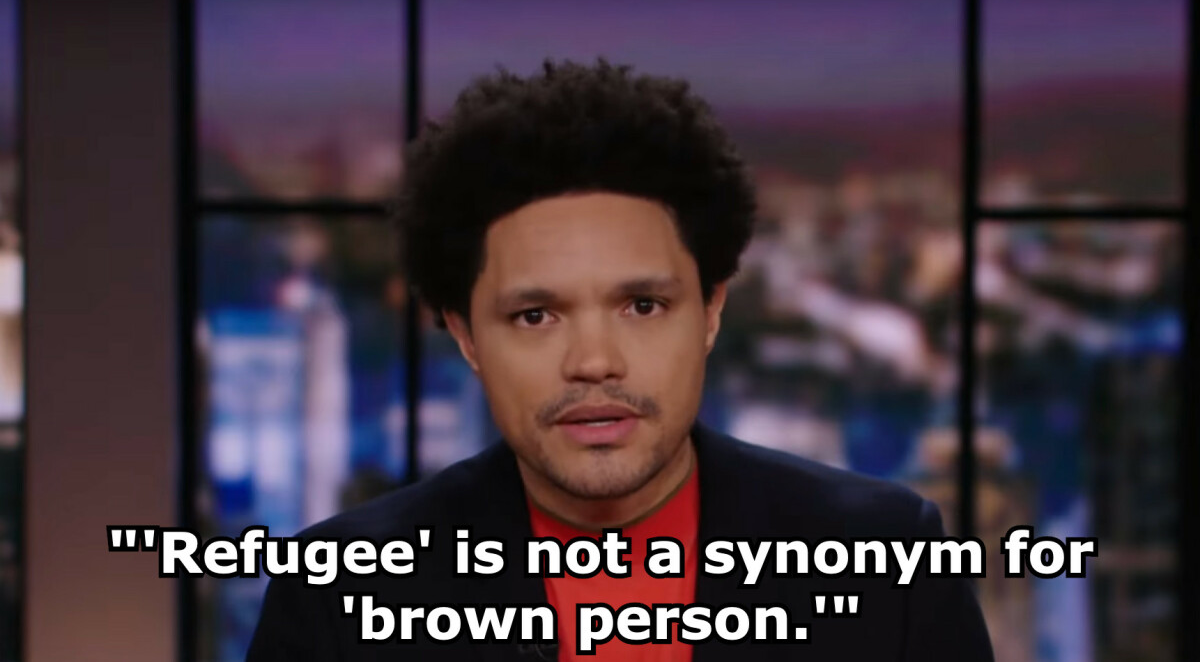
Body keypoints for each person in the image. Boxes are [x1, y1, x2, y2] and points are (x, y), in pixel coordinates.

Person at [248, 59, 994, 661]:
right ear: (466, 336)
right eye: (535, 316)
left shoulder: (888, 565)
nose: (595, 361)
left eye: (642, 305)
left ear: (711, 310)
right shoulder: (339, 597)